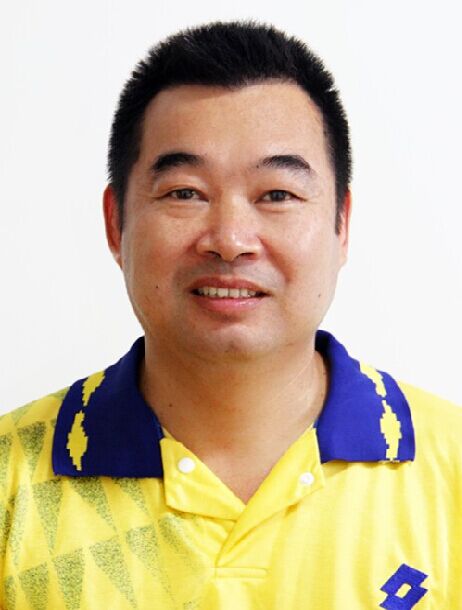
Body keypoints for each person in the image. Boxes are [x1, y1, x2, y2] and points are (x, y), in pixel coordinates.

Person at [0, 20, 460, 610]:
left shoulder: (451, 471)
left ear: (341, 224)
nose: (231, 240)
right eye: (185, 193)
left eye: (277, 195)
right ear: (116, 223)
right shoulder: (12, 482)